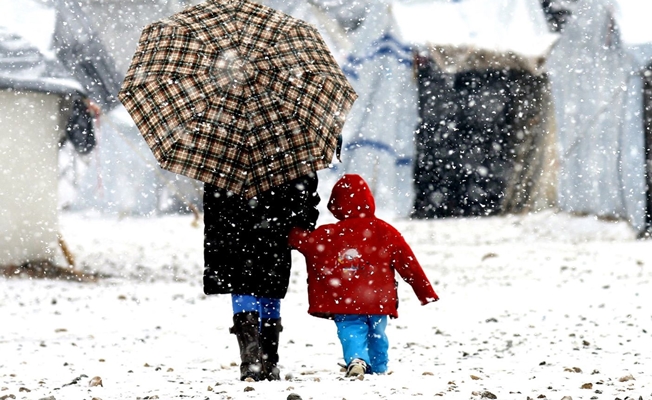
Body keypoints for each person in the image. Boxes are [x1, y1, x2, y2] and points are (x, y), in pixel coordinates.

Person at [288, 174, 439, 377]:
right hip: (379, 298)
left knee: (351, 329)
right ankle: (378, 366)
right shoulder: (385, 231)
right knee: (377, 332)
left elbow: (304, 242)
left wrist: (289, 229)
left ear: (337, 204)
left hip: (344, 300)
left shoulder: (329, 234)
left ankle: (357, 359)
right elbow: (408, 264)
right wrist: (425, 292)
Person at [203, 173, 320, 382]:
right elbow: (305, 190)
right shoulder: (288, 148)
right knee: (269, 287)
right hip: (275, 227)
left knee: (243, 286)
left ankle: (251, 362)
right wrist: (303, 220)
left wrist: (219, 225)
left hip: (234, 229)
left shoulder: (224, 152)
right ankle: (269, 361)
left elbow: (213, 197)